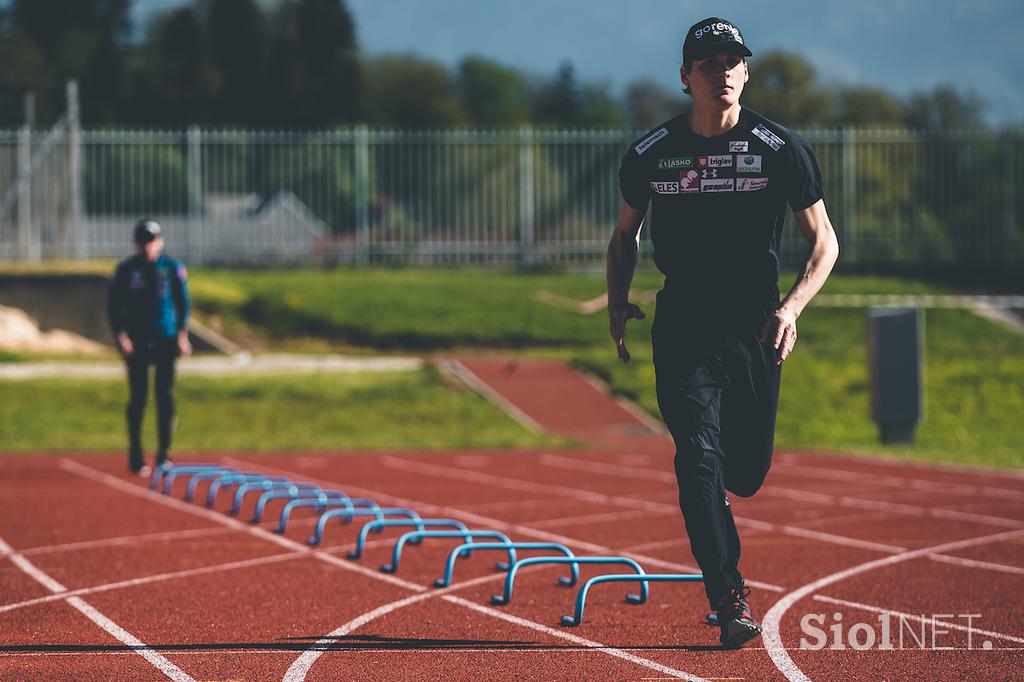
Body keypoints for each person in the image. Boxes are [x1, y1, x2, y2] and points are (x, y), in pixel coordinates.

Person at [606, 17, 840, 648]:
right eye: (707, 64)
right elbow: (624, 235)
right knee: (698, 458)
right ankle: (728, 595)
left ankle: (721, 503)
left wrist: (790, 309)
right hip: (684, 327)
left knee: (746, 472)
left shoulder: (779, 149)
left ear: (746, 71)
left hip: (756, 329)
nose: (721, 73)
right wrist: (616, 300)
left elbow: (824, 243)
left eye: (732, 61)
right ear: (685, 77)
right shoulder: (653, 154)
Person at [107, 219, 192, 477]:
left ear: (161, 241)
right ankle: (136, 454)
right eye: (143, 241)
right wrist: (120, 335)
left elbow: (183, 302)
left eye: (152, 241)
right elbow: (114, 306)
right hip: (137, 340)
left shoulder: (172, 267)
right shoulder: (126, 270)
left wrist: (182, 333)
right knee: (139, 398)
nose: (148, 247)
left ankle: (164, 453)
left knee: (164, 397)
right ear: (136, 243)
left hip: (165, 339)